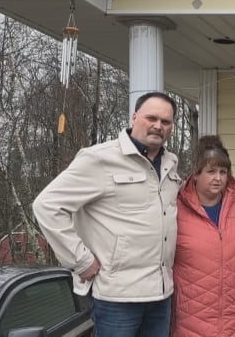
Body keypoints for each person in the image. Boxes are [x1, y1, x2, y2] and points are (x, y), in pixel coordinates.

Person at [33, 91, 181, 337]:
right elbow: (47, 206)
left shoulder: (170, 164)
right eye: (151, 118)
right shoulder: (100, 159)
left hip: (161, 295)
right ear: (134, 117)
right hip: (117, 297)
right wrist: (80, 260)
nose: (158, 126)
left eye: (165, 122)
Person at [171, 135, 235, 337]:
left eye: (223, 172)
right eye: (211, 171)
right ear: (196, 174)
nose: (218, 178)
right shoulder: (176, 210)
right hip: (191, 321)